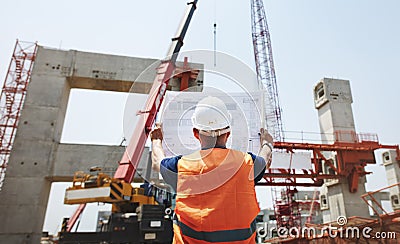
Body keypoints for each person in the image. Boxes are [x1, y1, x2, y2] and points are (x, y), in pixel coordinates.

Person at [150, 96, 273, 244]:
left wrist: (156, 140)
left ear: (196, 133)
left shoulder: (182, 166)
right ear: (228, 134)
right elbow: (265, 160)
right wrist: (267, 143)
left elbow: (157, 162)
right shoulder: (247, 163)